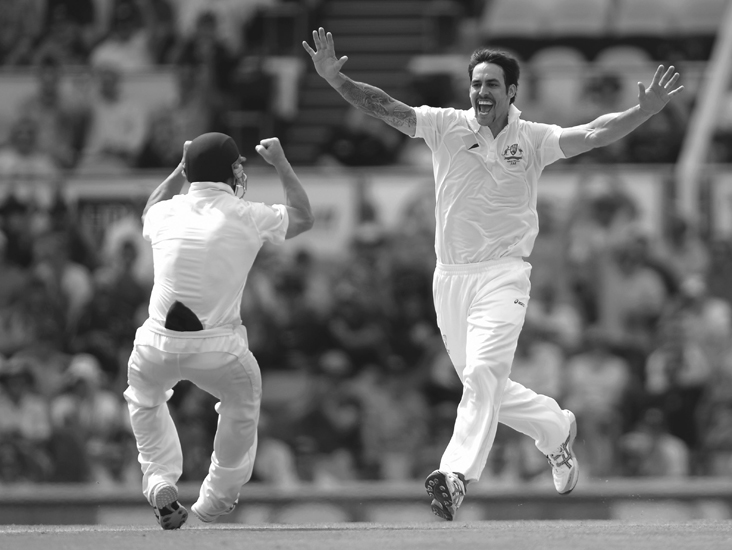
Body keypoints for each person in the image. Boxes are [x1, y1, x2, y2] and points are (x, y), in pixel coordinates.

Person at [303, 27, 683, 520]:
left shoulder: (533, 138)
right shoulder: (445, 126)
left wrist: (643, 112)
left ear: (512, 93)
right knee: (484, 386)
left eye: (491, 85)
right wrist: (338, 82)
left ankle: (456, 476)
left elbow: (592, 133)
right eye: (476, 84)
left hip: (504, 275)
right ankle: (556, 430)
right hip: (450, 278)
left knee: (484, 374)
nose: (481, 93)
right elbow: (385, 107)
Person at [123, 132, 313, 529]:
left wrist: (181, 166)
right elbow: (304, 216)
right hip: (217, 349)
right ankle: (215, 500)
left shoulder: (165, 212)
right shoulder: (246, 213)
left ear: (190, 172)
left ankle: (158, 478)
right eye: (238, 165)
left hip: (154, 343)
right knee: (243, 399)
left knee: (144, 397)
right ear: (229, 171)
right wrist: (279, 162)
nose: (241, 171)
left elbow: (150, 207)